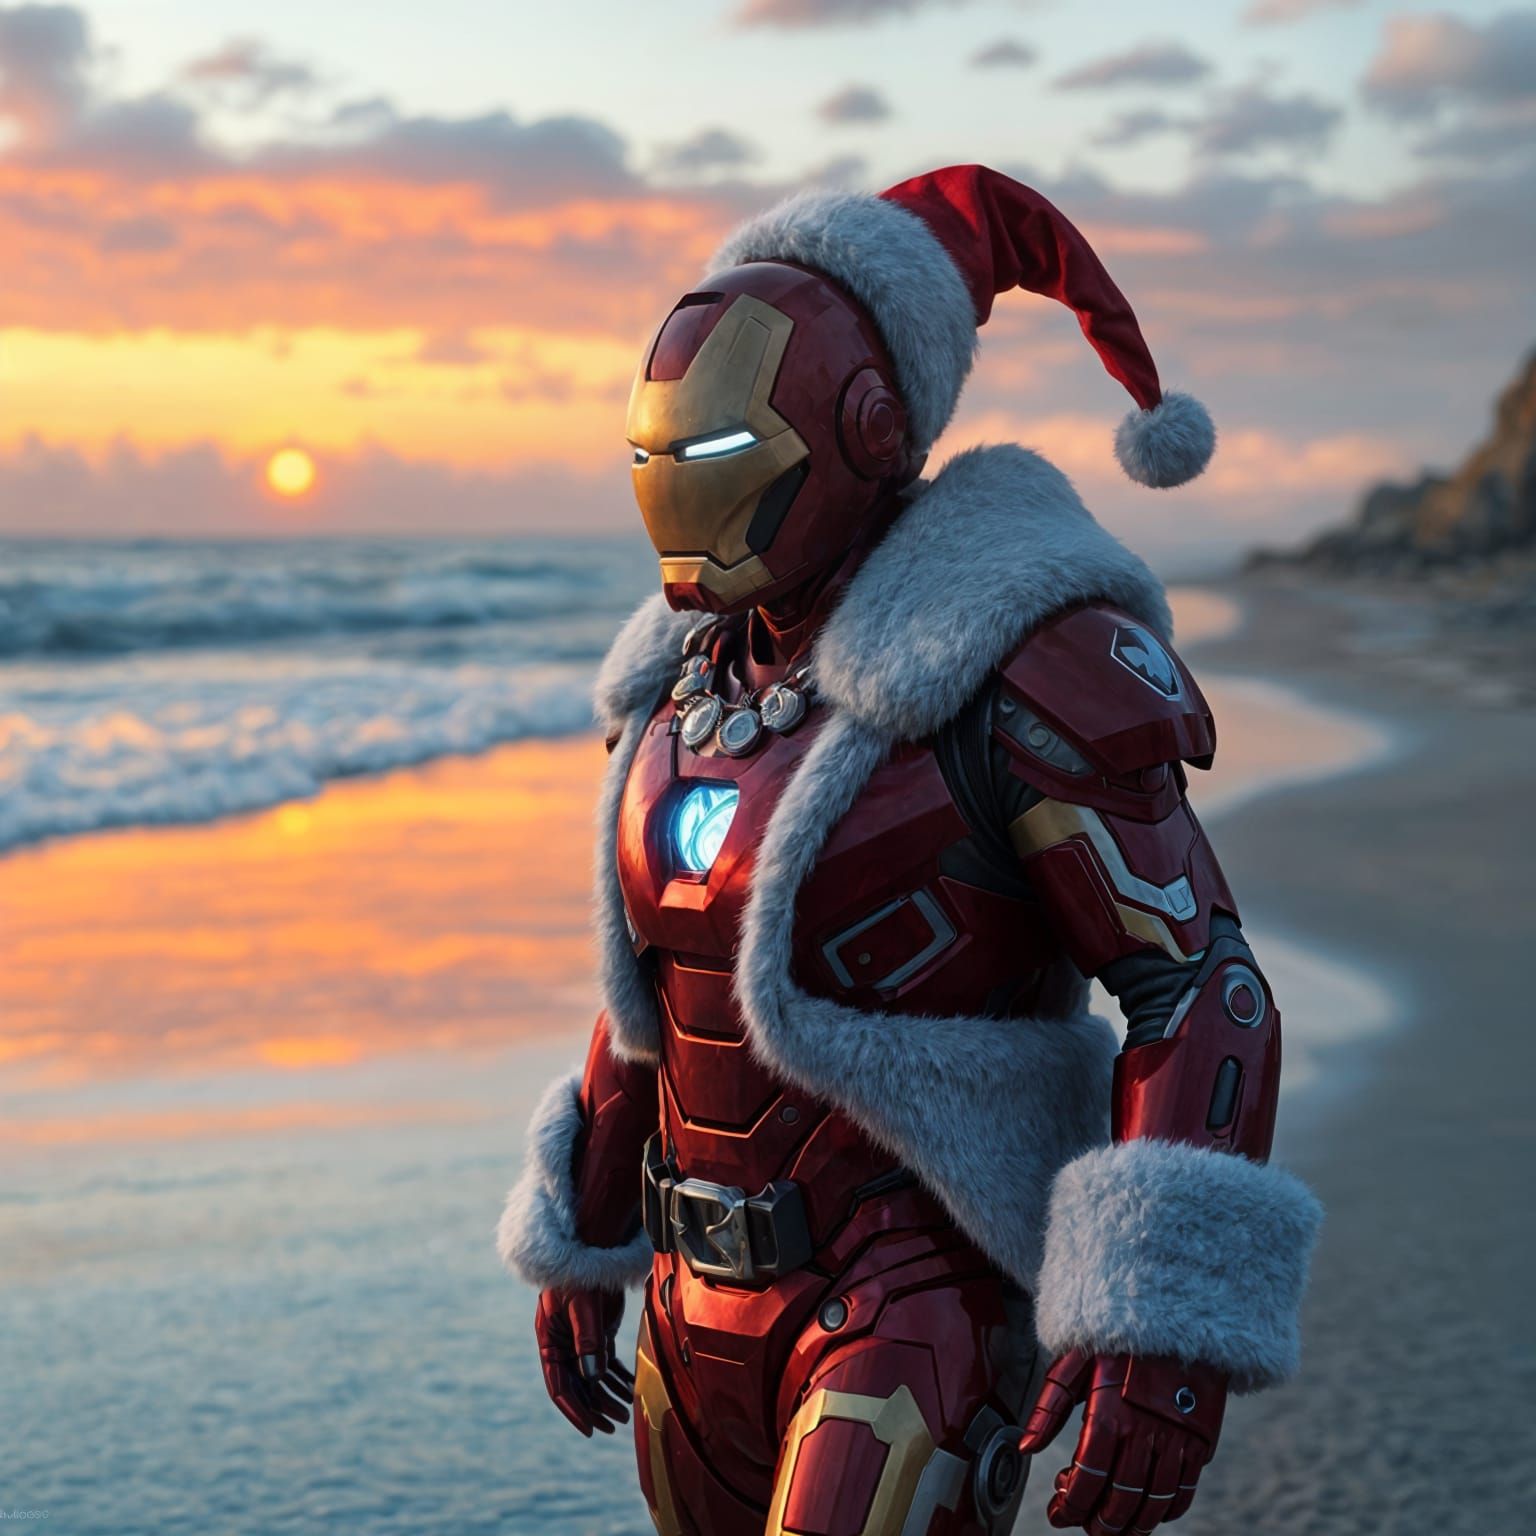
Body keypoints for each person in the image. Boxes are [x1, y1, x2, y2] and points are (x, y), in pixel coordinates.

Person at [499, 164, 1321, 1536]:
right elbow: (652, 995)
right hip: (693, 1304)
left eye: (712, 456)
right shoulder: (679, 687)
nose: (674, 493)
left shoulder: (1024, 662)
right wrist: (584, 1225)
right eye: (656, 456)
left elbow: (1200, 986)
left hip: (912, 1291)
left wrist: (1160, 1333)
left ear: (866, 428)